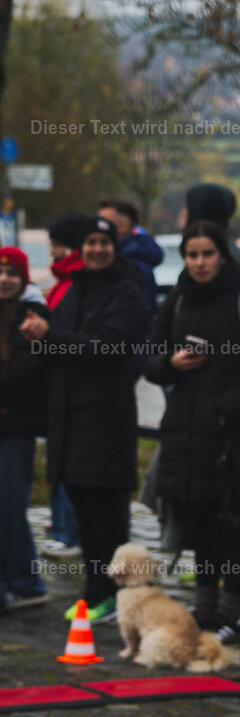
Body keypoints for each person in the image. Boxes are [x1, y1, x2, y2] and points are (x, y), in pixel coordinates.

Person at [144, 220, 240, 643]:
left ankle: (232, 614)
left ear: (223, 255)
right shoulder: (178, 298)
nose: (199, 263)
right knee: (200, 524)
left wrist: (226, 409)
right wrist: (171, 363)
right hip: (187, 433)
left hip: (234, 436)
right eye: (192, 255)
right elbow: (150, 358)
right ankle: (204, 609)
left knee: (234, 525)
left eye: (207, 254)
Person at [28, 216, 148, 623]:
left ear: (114, 247)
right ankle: (95, 591)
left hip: (106, 424)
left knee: (107, 519)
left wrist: (50, 337)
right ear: (80, 249)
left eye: (104, 242)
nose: (98, 249)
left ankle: (115, 595)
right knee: (85, 517)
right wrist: (38, 339)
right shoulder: (75, 290)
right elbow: (59, 349)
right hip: (71, 424)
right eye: (91, 243)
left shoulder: (127, 291)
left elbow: (108, 348)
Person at [0, 247, 50, 611]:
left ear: (23, 279)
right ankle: (22, 581)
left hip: (15, 428)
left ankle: (25, 583)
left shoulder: (33, 317)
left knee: (10, 507)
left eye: (12, 273)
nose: (4, 279)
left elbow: (29, 372)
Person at [41, 212, 88, 560]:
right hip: (56, 386)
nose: (52, 251)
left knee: (69, 460)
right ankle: (61, 526)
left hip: (72, 387)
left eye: (56, 244)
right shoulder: (62, 281)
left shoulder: (73, 282)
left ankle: (69, 531)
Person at [98, 199, 163, 315]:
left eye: (104, 223)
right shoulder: (120, 256)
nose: (98, 228)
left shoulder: (135, 267)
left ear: (123, 226)